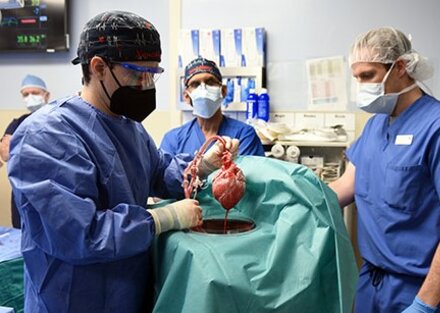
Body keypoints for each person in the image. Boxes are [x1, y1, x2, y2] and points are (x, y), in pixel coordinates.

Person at [7, 11, 239, 313]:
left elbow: (160, 172)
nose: (145, 84)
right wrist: (162, 218)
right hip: (72, 299)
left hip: (127, 295)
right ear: (99, 67)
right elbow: (79, 233)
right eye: (136, 73)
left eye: (152, 73)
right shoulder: (45, 135)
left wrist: (201, 165)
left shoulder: (130, 128)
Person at [329, 27, 440, 313]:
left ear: (401, 67)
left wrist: (423, 304)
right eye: (356, 78)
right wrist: (281, 192)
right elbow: (343, 188)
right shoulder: (375, 126)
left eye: (367, 76)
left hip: (426, 289)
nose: (361, 86)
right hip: (373, 284)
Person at [160, 56, 265, 157]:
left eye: (210, 82)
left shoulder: (244, 134)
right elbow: (167, 174)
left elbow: (250, 173)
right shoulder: (173, 139)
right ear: (187, 96)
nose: (203, 89)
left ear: (223, 91)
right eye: (195, 84)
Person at [0, 74, 50, 228]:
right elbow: (5, 153)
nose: (30, 97)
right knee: (22, 235)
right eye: (26, 94)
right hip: (21, 194)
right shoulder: (18, 122)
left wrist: (19, 147)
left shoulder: (57, 119)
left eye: (34, 93)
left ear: (46, 95)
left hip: (50, 191)